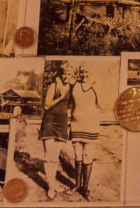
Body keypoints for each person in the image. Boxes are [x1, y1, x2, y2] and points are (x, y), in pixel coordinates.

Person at [39, 63, 76, 200]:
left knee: (55, 156)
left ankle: (53, 184)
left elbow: (71, 107)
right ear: (61, 73)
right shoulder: (54, 86)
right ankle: (50, 187)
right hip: (49, 122)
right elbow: (47, 105)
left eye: (69, 74)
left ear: (72, 75)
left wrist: (70, 121)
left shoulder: (72, 88)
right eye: (64, 73)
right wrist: (60, 97)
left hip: (62, 123)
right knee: (49, 157)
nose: (66, 76)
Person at [69, 69, 102, 200]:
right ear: (79, 74)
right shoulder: (74, 85)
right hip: (76, 125)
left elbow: (103, 104)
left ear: (91, 74)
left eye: (87, 73)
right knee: (77, 156)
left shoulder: (96, 86)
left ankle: (85, 188)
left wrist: (97, 86)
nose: (84, 75)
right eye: (82, 72)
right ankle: (77, 185)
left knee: (88, 156)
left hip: (91, 126)